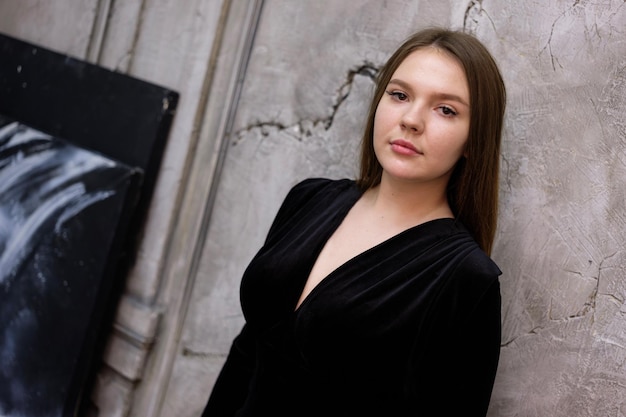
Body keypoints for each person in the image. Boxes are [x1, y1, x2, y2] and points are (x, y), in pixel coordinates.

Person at [202, 26, 507, 417]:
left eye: (446, 109)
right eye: (399, 95)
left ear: (474, 140)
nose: (411, 119)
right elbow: (248, 351)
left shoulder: (465, 279)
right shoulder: (310, 199)